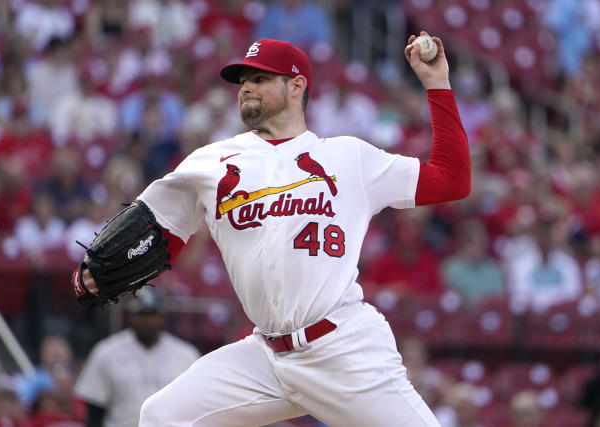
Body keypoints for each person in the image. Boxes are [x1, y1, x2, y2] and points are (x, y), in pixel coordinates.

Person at [74, 32, 470, 426]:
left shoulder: (349, 156)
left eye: (260, 78)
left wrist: (437, 84)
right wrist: (100, 272)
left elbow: (453, 179)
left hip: (343, 350)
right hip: (266, 357)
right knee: (162, 415)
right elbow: (162, 233)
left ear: (296, 85)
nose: (246, 87)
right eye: (243, 79)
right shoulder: (212, 162)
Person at [74, 288, 199, 427]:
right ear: (130, 316)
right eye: (141, 314)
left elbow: (196, 406)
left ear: (162, 316)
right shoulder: (106, 352)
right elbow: (95, 409)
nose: (147, 321)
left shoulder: (186, 355)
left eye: (152, 314)